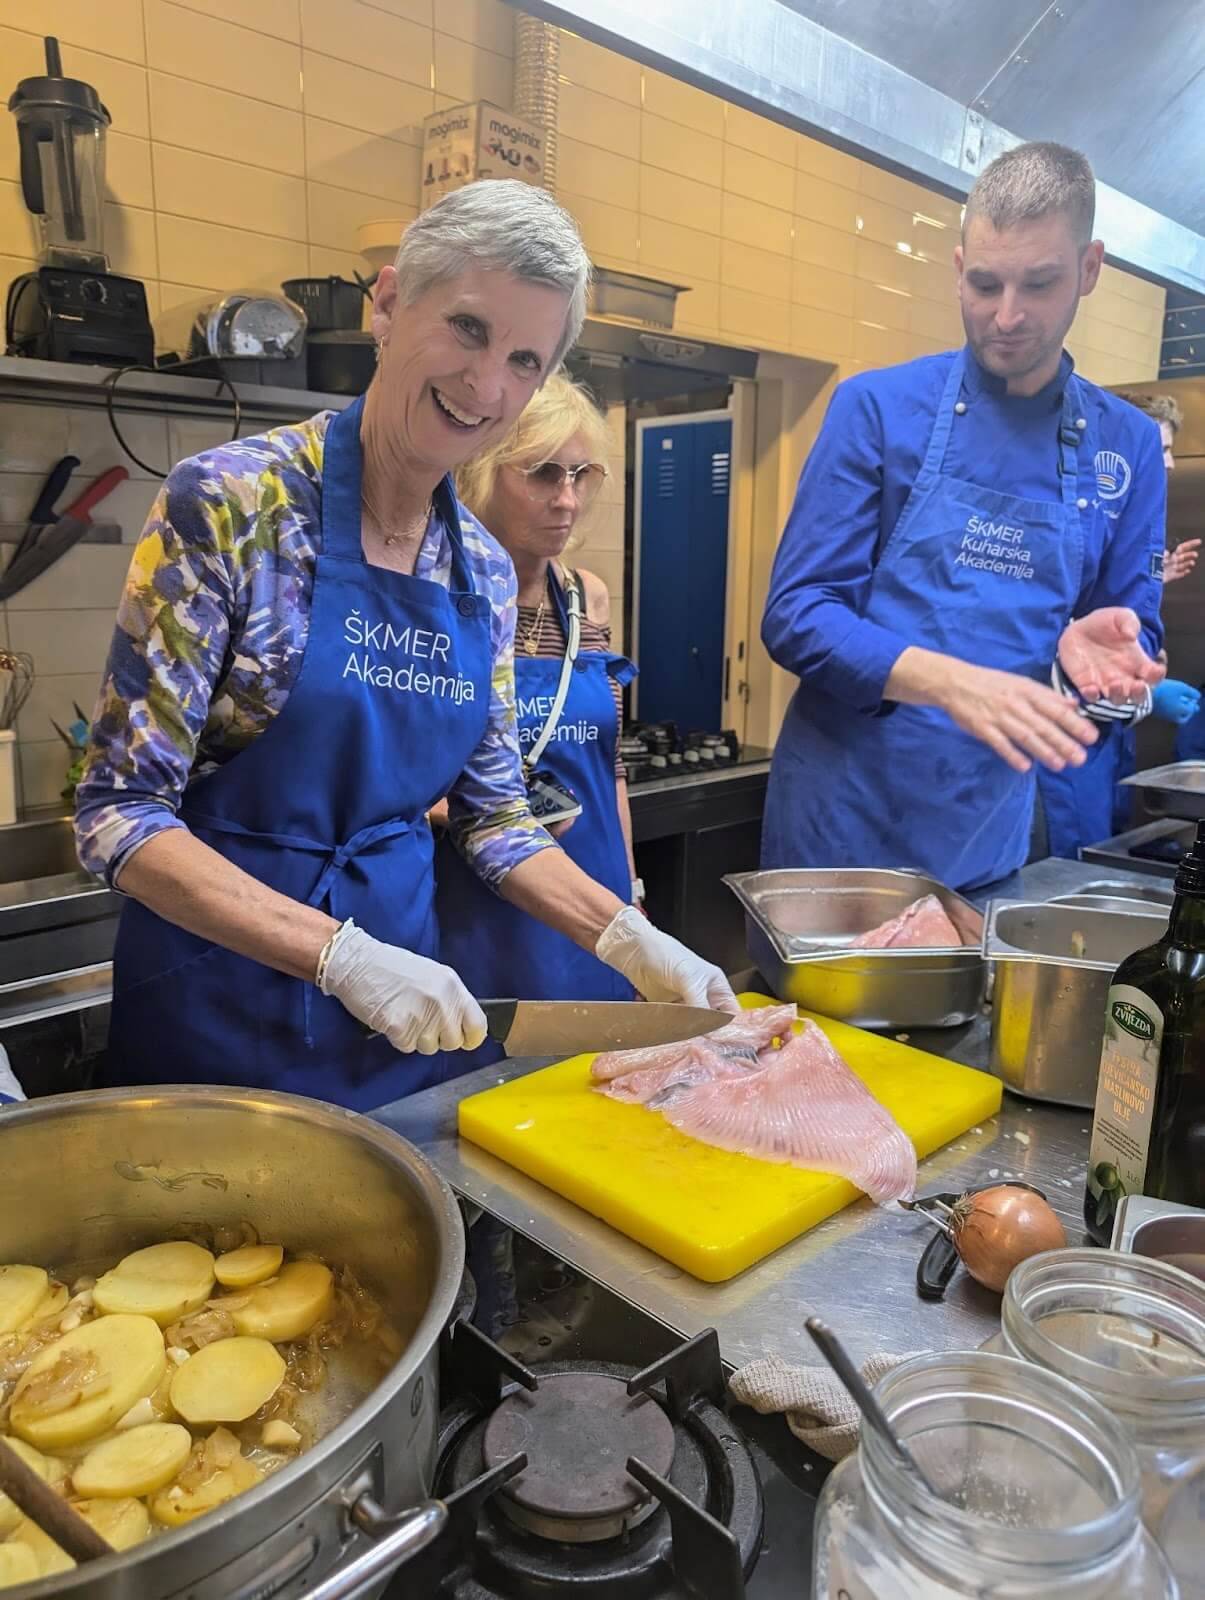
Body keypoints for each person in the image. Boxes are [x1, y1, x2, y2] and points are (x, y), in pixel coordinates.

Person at [74, 180, 734, 1113]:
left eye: (523, 359)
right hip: (213, 1010)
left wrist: (629, 936)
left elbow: (495, 820)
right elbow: (119, 816)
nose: (486, 385)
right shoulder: (230, 504)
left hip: (404, 1020)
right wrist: (336, 954)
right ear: (387, 304)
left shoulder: (484, 577)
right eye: (467, 328)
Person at [760, 142, 1166, 894]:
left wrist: (1102, 661)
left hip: (982, 836)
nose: (1004, 316)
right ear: (956, 269)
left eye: (1038, 284)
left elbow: (1131, 632)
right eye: (983, 283)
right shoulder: (877, 409)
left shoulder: (1128, 444)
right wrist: (954, 684)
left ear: (1088, 269)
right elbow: (797, 614)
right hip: (839, 829)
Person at [433, 374, 638, 1059]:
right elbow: (398, 781)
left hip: (593, 887)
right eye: (544, 473)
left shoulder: (588, 600)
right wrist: (475, 809)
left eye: (582, 475)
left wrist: (629, 894)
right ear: (481, 471)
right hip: (480, 904)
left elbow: (609, 770)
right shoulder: (434, 600)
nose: (568, 500)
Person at [1038, 389, 1201, 856]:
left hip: (1108, 746)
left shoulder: (1127, 527)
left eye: (1168, 450)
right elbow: (1055, 668)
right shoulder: (1065, 527)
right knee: (1066, 868)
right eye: (1157, 449)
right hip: (1067, 748)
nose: (1166, 464)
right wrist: (1148, 700)